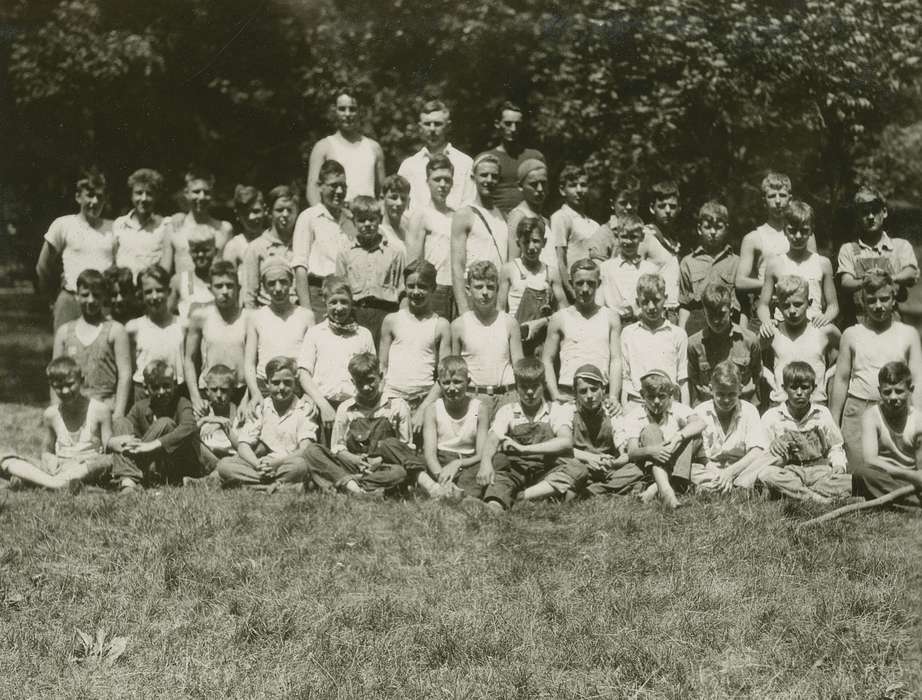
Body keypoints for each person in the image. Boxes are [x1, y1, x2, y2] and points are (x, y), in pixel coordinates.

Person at [830, 271, 922, 473]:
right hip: (859, 410)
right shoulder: (852, 334)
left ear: (893, 299)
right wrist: (833, 423)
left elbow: (917, 379)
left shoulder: (908, 333)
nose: (878, 306)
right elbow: (841, 380)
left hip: (897, 412)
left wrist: (917, 419)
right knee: (862, 475)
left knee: (900, 472)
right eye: (871, 301)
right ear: (862, 302)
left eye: (884, 299)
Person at [304, 353, 424, 496]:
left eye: (370, 380)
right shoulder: (346, 408)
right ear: (353, 382)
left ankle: (348, 485)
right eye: (360, 382)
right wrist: (353, 459)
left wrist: (378, 461)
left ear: (380, 376)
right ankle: (363, 488)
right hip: (353, 464)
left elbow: (405, 448)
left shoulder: (397, 406)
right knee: (312, 451)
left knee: (399, 472)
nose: (366, 387)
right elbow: (337, 446)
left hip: (383, 466)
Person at [477, 358, 581, 511]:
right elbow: (493, 439)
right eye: (524, 387)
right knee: (499, 476)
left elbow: (566, 441)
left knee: (577, 470)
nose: (530, 392)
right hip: (516, 471)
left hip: (546, 470)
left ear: (543, 385)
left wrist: (524, 449)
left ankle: (523, 496)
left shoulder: (555, 410)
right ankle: (495, 506)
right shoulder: (508, 410)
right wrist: (485, 463)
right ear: (516, 388)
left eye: (535, 386)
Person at [0, 357, 112, 490]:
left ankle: (39, 481)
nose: (65, 391)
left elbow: (109, 452)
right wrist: (50, 459)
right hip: (59, 468)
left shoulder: (100, 410)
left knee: (108, 462)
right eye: (58, 387)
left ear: (81, 380)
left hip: (86, 466)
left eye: (70, 384)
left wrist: (79, 463)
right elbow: (47, 450)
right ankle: (56, 483)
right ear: (51, 385)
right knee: (4, 457)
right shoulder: (51, 414)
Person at [216, 357, 316, 490]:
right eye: (275, 383)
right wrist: (257, 464)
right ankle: (277, 486)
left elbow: (304, 450)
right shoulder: (261, 407)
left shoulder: (305, 408)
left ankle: (252, 485)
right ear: (267, 384)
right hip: (261, 464)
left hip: (287, 463)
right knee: (224, 465)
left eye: (287, 382)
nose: (281, 387)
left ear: (295, 383)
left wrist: (276, 464)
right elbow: (243, 445)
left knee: (301, 466)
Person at [758, 362, 851, 503]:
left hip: (819, 471)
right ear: (784, 389)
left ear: (813, 388)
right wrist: (773, 446)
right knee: (767, 474)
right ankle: (815, 497)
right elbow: (761, 453)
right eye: (793, 388)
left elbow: (835, 446)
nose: (799, 393)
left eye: (805, 387)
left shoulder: (822, 414)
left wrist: (839, 465)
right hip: (790, 472)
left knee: (852, 481)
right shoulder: (772, 416)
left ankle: (795, 493)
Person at [35, 169, 114, 330]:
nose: (95, 201)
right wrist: (53, 297)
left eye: (100, 196)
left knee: (101, 351)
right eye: (90, 195)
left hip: (102, 303)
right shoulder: (64, 224)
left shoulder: (114, 228)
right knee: (65, 351)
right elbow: (43, 266)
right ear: (78, 197)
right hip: (71, 300)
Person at [735, 171, 815, 327]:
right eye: (772, 196)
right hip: (767, 308)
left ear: (790, 199)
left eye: (782, 195)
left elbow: (814, 272)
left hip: (799, 307)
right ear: (764, 200)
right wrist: (771, 283)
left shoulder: (806, 235)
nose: (778, 201)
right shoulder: (753, 238)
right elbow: (740, 281)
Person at [379, 260, 451, 432]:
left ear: (433, 288)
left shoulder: (441, 325)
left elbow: (444, 376)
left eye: (423, 286)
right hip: (392, 398)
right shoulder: (392, 320)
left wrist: (423, 410)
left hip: (423, 399)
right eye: (411, 286)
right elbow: (382, 367)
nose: (416, 292)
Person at [108, 360, 201, 492]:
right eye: (156, 387)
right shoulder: (140, 407)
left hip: (174, 463)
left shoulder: (182, 403)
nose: (162, 391)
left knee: (165, 423)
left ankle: (127, 478)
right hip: (148, 462)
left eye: (166, 386)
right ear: (146, 388)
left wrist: (153, 444)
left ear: (175, 385)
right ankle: (128, 482)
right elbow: (127, 433)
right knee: (121, 422)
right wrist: (112, 442)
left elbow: (189, 426)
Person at [619, 370, 705, 508]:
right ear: (642, 395)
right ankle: (666, 490)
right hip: (651, 465)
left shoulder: (677, 408)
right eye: (651, 397)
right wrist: (651, 451)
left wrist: (678, 437)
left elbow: (700, 423)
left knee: (692, 435)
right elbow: (632, 452)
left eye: (662, 396)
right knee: (650, 430)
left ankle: (655, 488)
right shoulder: (635, 416)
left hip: (675, 458)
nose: (656, 402)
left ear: (671, 395)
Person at [52, 269, 132, 418]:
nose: (91, 300)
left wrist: (119, 412)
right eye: (85, 295)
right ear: (76, 296)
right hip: (72, 409)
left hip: (106, 408)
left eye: (96, 295)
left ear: (104, 298)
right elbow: (54, 375)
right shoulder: (64, 332)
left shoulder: (116, 330)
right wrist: (56, 411)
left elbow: (125, 375)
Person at [298, 276, 375, 429]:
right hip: (322, 406)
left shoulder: (363, 334)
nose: (339, 308)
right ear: (325, 302)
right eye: (333, 302)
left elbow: (372, 373)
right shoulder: (315, 333)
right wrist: (323, 405)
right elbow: (303, 374)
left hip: (355, 408)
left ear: (352, 303)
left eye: (344, 302)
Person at [450, 261, 524, 417]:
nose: (485, 292)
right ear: (468, 290)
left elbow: (519, 367)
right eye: (479, 287)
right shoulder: (459, 325)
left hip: (507, 396)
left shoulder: (509, 323)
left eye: (490, 287)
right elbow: (454, 371)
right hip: (474, 397)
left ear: (497, 290)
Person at [543, 259, 622, 404]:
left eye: (590, 283)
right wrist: (554, 394)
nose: (585, 289)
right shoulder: (559, 318)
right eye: (579, 283)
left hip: (600, 394)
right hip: (568, 394)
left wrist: (613, 397)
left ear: (598, 284)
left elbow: (616, 360)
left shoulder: (611, 317)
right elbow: (547, 359)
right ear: (571, 283)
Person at [837, 185, 919, 322]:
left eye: (874, 211)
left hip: (893, 320)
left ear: (884, 212)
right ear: (857, 216)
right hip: (860, 321)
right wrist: (866, 281)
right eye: (864, 212)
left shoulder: (899, 246)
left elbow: (911, 273)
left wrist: (888, 278)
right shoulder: (849, 249)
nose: (870, 216)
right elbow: (845, 282)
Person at [335, 195, 405, 347]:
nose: (367, 224)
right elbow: (339, 289)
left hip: (386, 313)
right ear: (354, 221)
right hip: (356, 314)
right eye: (361, 220)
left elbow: (402, 290)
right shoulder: (345, 252)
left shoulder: (394, 252)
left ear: (379, 219)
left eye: (372, 219)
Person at [758, 200, 838, 330]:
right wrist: (767, 322)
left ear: (812, 230)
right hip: (783, 328)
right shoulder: (775, 264)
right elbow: (763, 305)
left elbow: (833, 305)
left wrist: (826, 317)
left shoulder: (823, 263)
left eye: (804, 230)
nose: (798, 236)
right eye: (792, 230)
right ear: (784, 230)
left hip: (814, 328)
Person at [568, 364, 645, 497]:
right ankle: (611, 490)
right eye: (583, 391)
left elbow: (624, 451)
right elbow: (565, 449)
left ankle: (591, 491)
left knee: (636, 471)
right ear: (575, 393)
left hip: (606, 467)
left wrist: (613, 463)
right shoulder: (569, 411)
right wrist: (589, 459)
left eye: (594, 389)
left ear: (603, 389)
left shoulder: (612, 413)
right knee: (571, 469)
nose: (589, 395)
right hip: (581, 464)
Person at [691, 361, 768, 493]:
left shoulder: (749, 410)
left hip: (740, 467)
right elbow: (701, 456)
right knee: (691, 469)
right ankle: (738, 488)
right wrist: (721, 474)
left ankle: (713, 488)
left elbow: (756, 451)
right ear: (711, 389)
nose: (726, 400)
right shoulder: (700, 412)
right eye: (720, 394)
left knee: (768, 460)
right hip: (710, 468)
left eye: (731, 394)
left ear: (740, 389)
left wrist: (730, 472)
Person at [244, 259, 314, 402]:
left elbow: (315, 361)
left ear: (291, 282)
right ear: (263, 286)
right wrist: (255, 393)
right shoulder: (256, 317)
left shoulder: (306, 316)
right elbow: (249, 363)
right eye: (271, 283)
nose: (278, 288)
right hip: (264, 388)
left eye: (283, 281)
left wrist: (309, 394)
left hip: (298, 388)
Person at [765, 276, 840, 408]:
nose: (792, 311)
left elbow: (847, 355)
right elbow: (752, 355)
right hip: (781, 405)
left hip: (815, 404)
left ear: (809, 302)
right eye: (786, 306)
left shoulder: (824, 331)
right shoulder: (773, 332)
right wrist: (771, 380)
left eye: (798, 304)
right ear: (778, 306)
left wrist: (828, 376)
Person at [184, 260, 248, 413]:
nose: (225, 291)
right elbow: (189, 359)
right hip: (210, 391)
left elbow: (255, 364)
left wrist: (247, 399)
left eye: (230, 285)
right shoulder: (200, 316)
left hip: (241, 392)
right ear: (210, 289)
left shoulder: (248, 317)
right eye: (219, 286)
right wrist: (195, 397)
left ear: (238, 288)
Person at [422, 356, 490, 499]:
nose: (452, 388)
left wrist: (458, 463)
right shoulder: (432, 409)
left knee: (499, 460)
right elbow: (430, 454)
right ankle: (450, 489)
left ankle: (455, 492)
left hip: (468, 463)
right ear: (439, 384)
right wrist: (442, 476)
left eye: (457, 382)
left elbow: (481, 454)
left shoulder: (480, 408)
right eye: (446, 383)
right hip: (440, 462)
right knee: (401, 450)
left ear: (468, 382)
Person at [498, 217, 567, 357]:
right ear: (518, 243)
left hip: (543, 340)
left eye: (535, 241)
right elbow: (499, 310)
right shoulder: (509, 269)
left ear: (544, 242)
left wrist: (543, 322)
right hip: (516, 339)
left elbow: (564, 311)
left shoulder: (551, 272)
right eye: (526, 241)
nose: (531, 247)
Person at [450, 153, 509, 314]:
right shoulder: (465, 213)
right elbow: (457, 266)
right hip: (473, 297)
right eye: (484, 175)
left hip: (496, 296)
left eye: (494, 176)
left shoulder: (503, 216)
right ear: (473, 177)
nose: (489, 180)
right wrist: (463, 309)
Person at [856, 361, 922, 506]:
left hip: (911, 481)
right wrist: (910, 475)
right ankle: (912, 503)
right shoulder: (871, 416)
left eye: (899, 391)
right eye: (887, 392)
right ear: (879, 391)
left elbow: (920, 471)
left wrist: (914, 477)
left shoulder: (918, 421)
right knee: (862, 472)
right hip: (884, 476)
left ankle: (897, 501)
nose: (893, 397)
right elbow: (870, 459)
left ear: (910, 390)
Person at [293, 160, 352, 318]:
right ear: (320, 186)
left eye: (343, 186)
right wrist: (307, 311)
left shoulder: (351, 220)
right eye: (334, 185)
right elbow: (300, 266)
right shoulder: (309, 217)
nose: (339, 191)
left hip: (346, 295)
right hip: (318, 295)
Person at [305, 88, 385, 204]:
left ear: (360, 112)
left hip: (367, 218)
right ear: (335, 111)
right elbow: (313, 190)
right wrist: (323, 219)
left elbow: (382, 192)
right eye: (342, 109)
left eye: (352, 109)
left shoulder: (374, 148)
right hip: (336, 216)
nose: (347, 114)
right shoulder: (323, 147)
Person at [686, 283, 761, 407]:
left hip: (743, 407)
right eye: (711, 315)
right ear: (704, 313)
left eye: (721, 314)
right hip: (709, 409)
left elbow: (757, 375)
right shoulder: (694, 344)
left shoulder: (749, 340)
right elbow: (694, 383)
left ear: (731, 311)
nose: (716, 320)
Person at [621, 274, 689, 407]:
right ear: (637, 302)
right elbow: (626, 378)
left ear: (665, 299)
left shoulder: (678, 334)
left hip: (669, 404)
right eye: (645, 301)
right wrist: (626, 410)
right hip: (637, 402)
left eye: (656, 300)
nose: (651, 307)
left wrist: (685, 411)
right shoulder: (628, 333)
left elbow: (683, 379)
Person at [397, 99, 474, 211]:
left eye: (437, 124)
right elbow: (401, 205)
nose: (432, 129)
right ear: (420, 127)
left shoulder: (465, 163)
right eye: (427, 124)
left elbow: (470, 203)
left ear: (448, 126)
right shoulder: (409, 165)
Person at [678, 200, 739, 337]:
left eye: (718, 227)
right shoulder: (688, 262)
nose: (713, 232)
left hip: (728, 328)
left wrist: (742, 333)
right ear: (699, 228)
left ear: (726, 228)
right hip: (698, 327)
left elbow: (743, 306)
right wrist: (681, 334)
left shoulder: (736, 262)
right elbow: (684, 304)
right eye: (708, 227)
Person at [405, 154, 456, 319]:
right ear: (427, 181)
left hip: (456, 289)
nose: (442, 185)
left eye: (447, 180)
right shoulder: (421, 215)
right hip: (433, 289)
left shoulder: (457, 216)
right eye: (437, 179)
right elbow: (413, 264)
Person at [125, 265, 184, 401]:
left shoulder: (182, 325)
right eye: (148, 292)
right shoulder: (134, 328)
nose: (155, 296)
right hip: (144, 394)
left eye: (159, 290)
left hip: (175, 391)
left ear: (169, 291)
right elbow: (131, 368)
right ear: (141, 295)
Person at [598, 214, 663, 323]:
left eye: (633, 237)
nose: (628, 242)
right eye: (624, 236)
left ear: (641, 237)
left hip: (640, 326)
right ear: (617, 236)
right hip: (612, 325)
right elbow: (599, 303)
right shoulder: (606, 267)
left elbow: (655, 302)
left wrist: (637, 312)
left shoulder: (650, 269)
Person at [241, 185, 298, 309]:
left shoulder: (302, 244)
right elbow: (249, 296)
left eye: (290, 210)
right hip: (266, 314)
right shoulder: (256, 248)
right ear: (270, 212)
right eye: (279, 210)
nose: (285, 214)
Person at [484, 101, 545, 215]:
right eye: (508, 123)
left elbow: (542, 194)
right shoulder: (487, 159)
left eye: (517, 124)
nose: (513, 129)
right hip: (496, 220)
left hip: (528, 220)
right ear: (497, 124)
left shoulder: (535, 157)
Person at [167, 169, 233, 275]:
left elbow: (230, 270)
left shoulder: (224, 229)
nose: (201, 197)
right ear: (186, 193)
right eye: (196, 192)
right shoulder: (173, 228)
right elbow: (165, 271)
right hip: (185, 288)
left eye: (206, 192)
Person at [551, 164, 603, 298]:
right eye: (573, 185)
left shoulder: (594, 224)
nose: (579, 190)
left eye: (583, 185)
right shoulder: (561, 217)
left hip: (593, 288)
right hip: (574, 289)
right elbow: (559, 258)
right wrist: (569, 290)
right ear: (562, 190)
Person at [112, 168, 171, 280]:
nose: (144, 199)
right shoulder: (119, 224)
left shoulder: (164, 225)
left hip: (150, 291)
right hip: (125, 291)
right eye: (139, 193)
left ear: (156, 197)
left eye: (149, 194)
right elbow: (113, 260)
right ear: (131, 195)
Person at [193, 364, 243, 479]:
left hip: (230, 458)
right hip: (207, 458)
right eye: (214, 390)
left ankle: (213, 477)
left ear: (232, 391)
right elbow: (188, 434)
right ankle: (218, 474)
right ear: (207, 391)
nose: (219, 395)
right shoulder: (203, 410)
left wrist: (221, 425)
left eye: (224, 390)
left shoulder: (237, 411)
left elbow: (240, 447)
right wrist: (207, 419)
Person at [643, 180, 683, 321]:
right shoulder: (645, 235)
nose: (667, 211)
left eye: (672, 206)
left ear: (679, 209)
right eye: (662, 206)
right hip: (654, 311)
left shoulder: (675, 240)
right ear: (652, 208)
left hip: (674, 311)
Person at [506, 159, 555, 267]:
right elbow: (513, 262)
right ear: (520, 186)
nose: (540, 189)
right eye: (533, 184)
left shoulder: (545, 219)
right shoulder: (518, 216)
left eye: (543, 183)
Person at [223, 185, 266, 293]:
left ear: (265, 210)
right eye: (245, 213)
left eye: (256, 211)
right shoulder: (234, 246)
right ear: (237, 215)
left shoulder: (273, 239)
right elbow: (228, 282)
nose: (251, 217)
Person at [168, 232, 215, 322]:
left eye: (205, 250)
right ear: (190, 252)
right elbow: (167, 314)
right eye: (196, 251)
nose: (200, 255)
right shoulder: (180, 280)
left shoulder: (222, 280)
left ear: (215, 251)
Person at [379, 174, 411, 255]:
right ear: (382, 199)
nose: (399, 203)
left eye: (403, 199)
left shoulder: (408, 232)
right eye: (393, 197)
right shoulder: (378, 233)